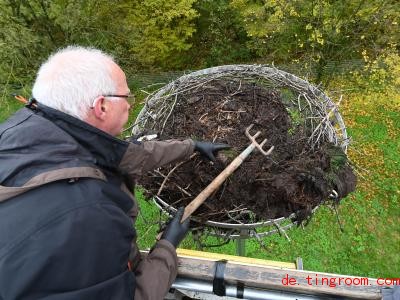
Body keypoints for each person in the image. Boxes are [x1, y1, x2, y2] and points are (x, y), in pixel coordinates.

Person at [0, 46, 228, 299]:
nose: (130, 105)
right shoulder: (92, 216)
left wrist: (191, 146)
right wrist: (167, 247)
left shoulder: (27, 130)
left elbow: (124, 154)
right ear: (102, 107)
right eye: (127, 98)